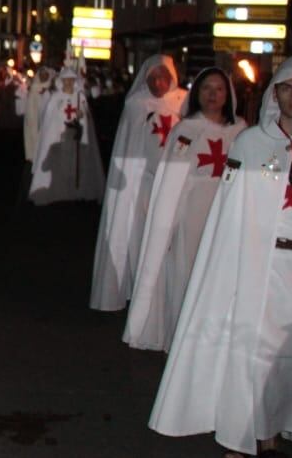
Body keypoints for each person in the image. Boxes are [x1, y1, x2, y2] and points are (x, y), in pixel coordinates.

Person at [149, 57, 292, 458]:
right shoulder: (252, 144)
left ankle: (273, 432)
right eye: (286, 88)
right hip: (257, 262)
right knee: (248, 350)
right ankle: (240, 436)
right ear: (273, 94)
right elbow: (231, 214)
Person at [124, 68, 245, 351]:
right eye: (206, 88)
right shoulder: (185, 130)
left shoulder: (241, 131)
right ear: (196, 93)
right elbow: (172, 181)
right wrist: (169, 221)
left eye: (218, 89)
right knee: (188, 271)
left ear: (228, 94)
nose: (213, 94)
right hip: (192, 213)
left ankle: (215, 342)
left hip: (227, 213)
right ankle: (184, 339)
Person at [90, 55, 186, 311]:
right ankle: (134, 287)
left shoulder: (184, 103)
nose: (158, 82)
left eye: (163, 76)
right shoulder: (136, 105)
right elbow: (127, 147)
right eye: (152, 77)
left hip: (171, 180)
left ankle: (164, 291)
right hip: (140, 182)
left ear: (172, 77)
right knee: (136, 232)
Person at [28, 66, 105, 205]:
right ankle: (59, 191)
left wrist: (81, 116)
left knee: (76, 163)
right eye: (66, 80)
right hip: (60, 137)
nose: (68, 83)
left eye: (71, 80)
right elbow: (50, 121)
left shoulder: (79, 96)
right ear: (61, 81)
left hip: (76, 137)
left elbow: (85, 115)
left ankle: (76, 191)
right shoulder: (56, 98)